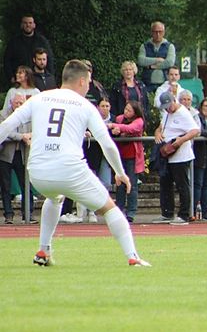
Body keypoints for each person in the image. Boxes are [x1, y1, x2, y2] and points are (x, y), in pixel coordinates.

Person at [0, 59, 149, 266]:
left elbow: (6, 125)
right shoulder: (85, 105)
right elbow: (106, 143)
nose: (89, 86)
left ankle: (43, 251)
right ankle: (133, 256)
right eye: (88, 81)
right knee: (110, 208)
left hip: (38, 172)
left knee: (54, 197)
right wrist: (120, 172)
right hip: (70, 170)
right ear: (81, 81)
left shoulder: (39, 98)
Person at [152, 91, 199, 225]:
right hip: (168, 155)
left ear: (174, 100)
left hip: (180, 156)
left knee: (182, 185)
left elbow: (195, 130)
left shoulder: (183, 113)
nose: (168, 109)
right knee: (165, 184)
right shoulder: (167, 113)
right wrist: (157, 133)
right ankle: (167, 213)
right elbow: (160, 127)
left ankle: (184, 214)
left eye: (169, 106)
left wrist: (181, 140)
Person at [0, 94, 36, 224]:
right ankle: (8, 215)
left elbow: (33, 131)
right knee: (6, 186)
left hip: (23, 154)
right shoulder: (3, 115)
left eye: (21, 103)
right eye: (17, 103)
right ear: (11, 103)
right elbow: (4, 132)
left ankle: (28, 214)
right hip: (6, 154)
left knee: (26, 184)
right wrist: (21, 136)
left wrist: (28, 136)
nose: (19, 106)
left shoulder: (30, 116)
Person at [110, 101, 145, 223]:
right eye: (126, 109)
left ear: (135, 112)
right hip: (120, 156)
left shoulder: (139, 121)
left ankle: (131, 212)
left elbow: (131, 128)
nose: (126, 112)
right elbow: (114, 132)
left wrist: (116, 126)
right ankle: (119, 210)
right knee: (120, 184)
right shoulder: (120, 119)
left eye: (129, 110)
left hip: (133, 157)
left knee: (132, 184)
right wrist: (115, 131)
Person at [4, 15, 53, 86]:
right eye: (25, 23)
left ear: (34, 25)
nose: (28, 25)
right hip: (20, 81)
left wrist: (50, 77)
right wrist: (11, 77)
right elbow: (7, 61)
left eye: (30, 23)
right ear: (21, 25)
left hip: (39, 80)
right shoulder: (14, 42)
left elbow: (49, 59)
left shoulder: (42, 41)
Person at [136, 21, 176, 94]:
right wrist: (158, 60)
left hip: (165, 83)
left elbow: (170, 62)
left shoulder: (170, 46)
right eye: (155, 32)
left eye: (160, 32)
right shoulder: (144, 46)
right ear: (151, 32)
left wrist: (151, 66)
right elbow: (141, 60)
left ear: (164, 32)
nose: (158, 34)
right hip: (147, 83)